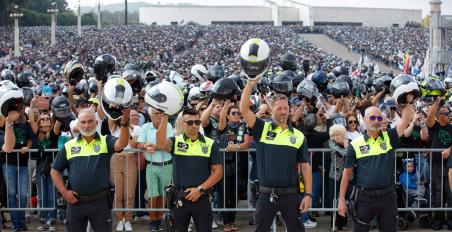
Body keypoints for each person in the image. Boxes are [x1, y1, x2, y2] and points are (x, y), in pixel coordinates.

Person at [240, 80, 312, 232]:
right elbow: (244, 109)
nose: (283, 111)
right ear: (272, 109)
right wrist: (250, 83)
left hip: (291, 195)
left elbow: (305, 167)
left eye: (285, 108)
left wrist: (308, 194)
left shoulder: (298, 136)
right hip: (266, 194)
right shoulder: (262, 128)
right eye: (279, 108)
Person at [50, 108, 131, 231]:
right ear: (78, 125)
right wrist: (64, 192)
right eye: (83, 122)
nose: (86, 125)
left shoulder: (105, 141)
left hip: (100, 202)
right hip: (75, 203)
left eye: (90, 121)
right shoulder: (69, 146)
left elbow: (122, 143)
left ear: (96, 123)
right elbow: (54, 171)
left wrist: (124, 124)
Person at [338, 104, 413, 232]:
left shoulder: (389, 138)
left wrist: (409, 101)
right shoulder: (355, 144)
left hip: (388, 196)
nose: (376, 121)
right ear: (365, 119)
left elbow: (405, 120)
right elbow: (346, 174)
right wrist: (341, 200)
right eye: (372, 117)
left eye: (379, 118)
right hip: (364, 198)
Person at [155, 108, 223, 232]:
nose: (194, 125)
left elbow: (218, 172)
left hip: (201, 197)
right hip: (180, 199)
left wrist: (199, 189)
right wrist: (165, 118)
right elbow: (160, 144)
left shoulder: (210, 144)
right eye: (190, 122)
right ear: (182, 124)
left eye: (197, 122)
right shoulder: (175, 141)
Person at [137, 107, 174, 231]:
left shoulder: (168, 125)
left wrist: (154, 146)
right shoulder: (145, 127)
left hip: (166, 165)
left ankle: (161, 220)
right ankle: (154, 221)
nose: (159, 115)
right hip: (151, 165)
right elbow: (138, 144)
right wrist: (145, 146)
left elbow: (167, 144)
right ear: (150, 115)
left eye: (160, 113)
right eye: (156, 113)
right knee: (153, 195)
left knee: (164, 194)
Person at [0, 104, 35, 232]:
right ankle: (16, 224)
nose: (13, 114)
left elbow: (32, 139)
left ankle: (21, 222)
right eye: (10, 112)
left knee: (22, 195)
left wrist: (28, 147)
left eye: (15, 111)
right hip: (8, 164)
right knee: (11, 194)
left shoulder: (25, 125)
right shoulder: (4, 124)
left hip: (23, 165)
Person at [218, 103, 250, 232]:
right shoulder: (224, 126)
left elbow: (247, 143)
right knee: (224, 195)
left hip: (238, 165)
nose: (237, 115)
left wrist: (237, 147)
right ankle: (226, 222)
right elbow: (220, 120)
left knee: (234, 196)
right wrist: (226, 104)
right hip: (224, 165)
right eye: (234, 113)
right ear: (227, 115)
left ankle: (232, 221)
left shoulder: (243, 126)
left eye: (238, 113)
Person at [108, 114, 142, 231]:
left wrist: (127, 128)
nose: (123, 118)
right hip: (115, 161)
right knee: (117, 193)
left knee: (130, 193)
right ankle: (119, 220)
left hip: (130, 159)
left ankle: (127, 219)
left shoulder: (136, 128)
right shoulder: (113, 127)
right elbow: (109, 114)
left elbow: (134, 145)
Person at [29, 111, 61, 231]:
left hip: (53, 168)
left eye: (47, 118)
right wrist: (32, 106)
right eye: (42, 119)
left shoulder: (53, 133)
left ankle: (51, 220)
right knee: (42, 195)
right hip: (40, 168)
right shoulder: (38, 134)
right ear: (40, 123)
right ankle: (43, 221)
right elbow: (31, 121)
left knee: (52, 195)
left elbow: (57, 125)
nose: (45, 120)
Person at [426, 101, 452, 230]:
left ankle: (450, 220)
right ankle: (438, 219)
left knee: (450, 192)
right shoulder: (434, 126)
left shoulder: (451, 128)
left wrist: (450, 149)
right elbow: (430, 116)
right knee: (437, 193)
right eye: (447, 114)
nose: (449, 116)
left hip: (450, 167)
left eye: (450, 113)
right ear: (440, 115)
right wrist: (436, 103)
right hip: (436, 165)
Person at [328, 124, 351, 231]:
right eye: (334, 135)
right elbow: (342, 153)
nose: (335, 137)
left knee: (344, 199)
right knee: (334, 199)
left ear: (343, 135)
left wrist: (347, 146)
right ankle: (334, 223)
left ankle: (344, 223)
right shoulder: (331, 143)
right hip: (335, 175)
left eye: (338, 134)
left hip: (347, 176)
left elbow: (352, 155)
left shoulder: (349, 142)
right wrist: (346, 147)